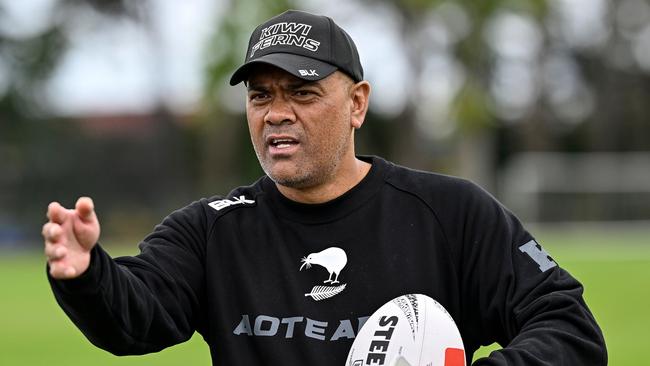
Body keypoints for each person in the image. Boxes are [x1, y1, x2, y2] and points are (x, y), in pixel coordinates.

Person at [43, 9, 606, 366]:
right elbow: (133, 318)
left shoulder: (451, 213)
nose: (276, 114)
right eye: (261, 95)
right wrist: (88, 274)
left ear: (357, 103)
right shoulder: (213, 229)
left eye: (303, 93)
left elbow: (567, 327)